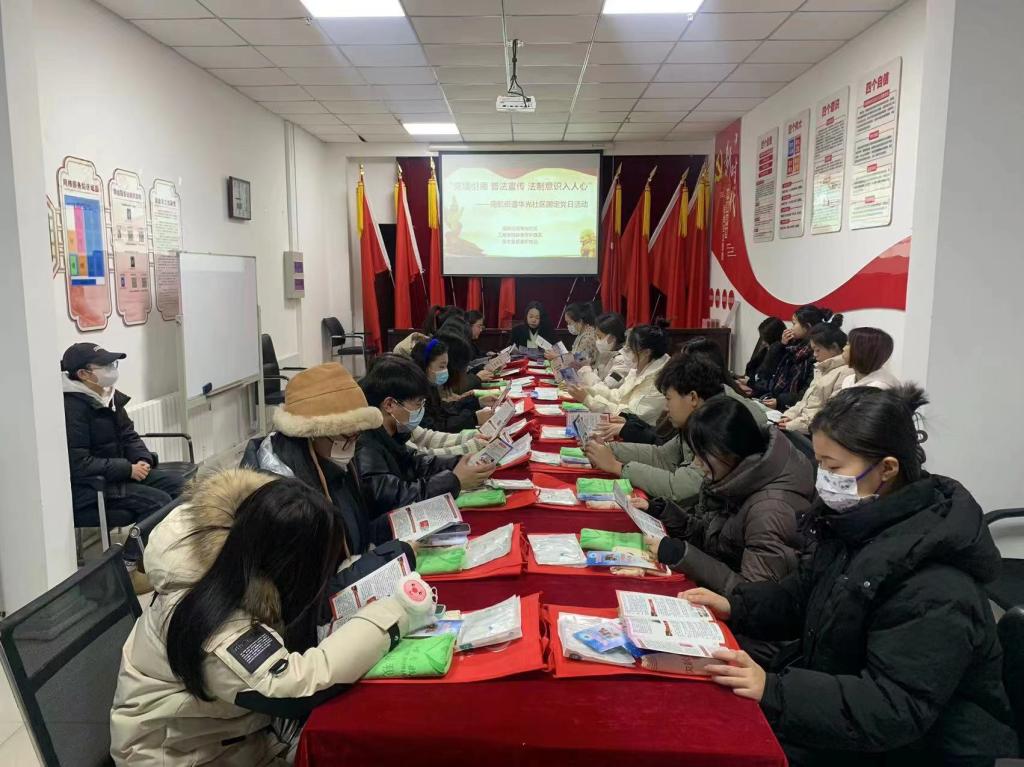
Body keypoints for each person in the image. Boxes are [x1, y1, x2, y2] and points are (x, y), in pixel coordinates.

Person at [683, 386, 1018, 766]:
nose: (823, 479)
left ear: (887, 469)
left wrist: (774, 690)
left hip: (919, 750)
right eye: (820, 464)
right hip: (844, 709)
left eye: (834, 468)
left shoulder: (935, 580)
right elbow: (802, 596)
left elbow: (893, 707)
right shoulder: (856, 526)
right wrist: (735, 605)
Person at [110, 469, 436, 766]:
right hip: (179, 757)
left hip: (230, 739)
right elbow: (293, 687)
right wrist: (394, 615)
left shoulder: (230, 565)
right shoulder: (218, 622)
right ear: (289, 565)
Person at [239, 362, 413, 589]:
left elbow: (352, 534)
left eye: (357, 435)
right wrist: (398, 553)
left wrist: (400, 528)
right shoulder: (284, 503)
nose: (352, 446)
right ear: (312, 433)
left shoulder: (331, 463)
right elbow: (316, 597)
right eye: (347, 436)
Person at [642, 397, 812, 596]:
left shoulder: (770, 511)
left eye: (702, 455)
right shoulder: (734, 478)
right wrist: (664, 512)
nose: (697, 463)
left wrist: (683, 556)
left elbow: (752, 598)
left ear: (729, 451)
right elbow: (713, 538)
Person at [586, 353, 768, 505]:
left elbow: (680, 488)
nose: (666, 408)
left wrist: (618, 467)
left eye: (669, 399)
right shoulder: (702, 413)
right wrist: (612, 449)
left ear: (693, 397)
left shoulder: (723, 422)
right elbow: (663, 457)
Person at [61, 343, 185, 531]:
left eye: (112, 364)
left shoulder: (109, 398)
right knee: (159, 502)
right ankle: (135, 550)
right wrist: (128, 469)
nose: (111, 369)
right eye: (104, 366)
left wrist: (142, 459)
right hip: (91, 487)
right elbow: (79, 463)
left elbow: (129, 436)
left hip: (118, 475)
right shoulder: (72, 408)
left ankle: (171, 542)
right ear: (83, 374)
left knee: (181, 486)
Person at [354, 355, 494, 516]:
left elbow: (415, 464)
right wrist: (455, 481)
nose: (421, 410)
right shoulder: (366, 446)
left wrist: (460, 461)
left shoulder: (392, 432)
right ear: (390, 404)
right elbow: (396, 497)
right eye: (418, 404)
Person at [565, 322, 671, 425]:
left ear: (646, 352)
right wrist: (589, 390)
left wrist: (588, 400)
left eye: (630, 349)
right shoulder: (639, 369)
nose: (624, 352)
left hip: (634, 431)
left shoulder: (658, 380)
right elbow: (618, 396)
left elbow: (627, 416)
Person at [752, 305, 840, 411]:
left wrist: (780, 402)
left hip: (790, 408)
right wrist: (781, 345)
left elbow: (806, 393)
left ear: (807, 327)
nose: (791, 328)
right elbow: (766, 370)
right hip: (775, 399)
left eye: (794, 323)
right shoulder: (792, 346)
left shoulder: (816, 355)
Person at [777, 321, 850, 434]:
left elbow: (827, 414)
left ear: (834, 347)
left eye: (817, 350)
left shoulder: (845, 373)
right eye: (813, 350)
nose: (814, 354)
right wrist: (789, 415)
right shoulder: (822, 368)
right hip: (800, 426)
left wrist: (793, 424)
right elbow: (805, 402)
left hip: (812, 432)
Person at [580, 311, 630, 389]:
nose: (597, 341)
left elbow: (606, 387)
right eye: (596, 337)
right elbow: (596, 377)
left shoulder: (623, 360)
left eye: (600, 337)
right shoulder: (606, 354)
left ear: (613, 337)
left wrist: (587, 371)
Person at [840, 326, 900, 391]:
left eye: (848, 344)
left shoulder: (879, 387)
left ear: (862, 351)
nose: (843, 348)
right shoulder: (848, 380)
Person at [740, 317, 786, 394]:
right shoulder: (765, 351)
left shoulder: (779, 354)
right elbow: (751, 370)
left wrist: (749, 383)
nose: (763, 342)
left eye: (765, 339)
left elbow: (768, 385)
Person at [548, 301, 598, 365]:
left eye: (569, 323)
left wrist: (557, 356)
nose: (568, 326)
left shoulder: (588, 337)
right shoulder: (582, 333)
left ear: (580, 321)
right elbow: (575, 354)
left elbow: (579, 360)